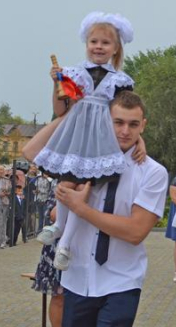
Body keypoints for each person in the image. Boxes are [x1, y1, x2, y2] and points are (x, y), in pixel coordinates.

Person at [23, 90, 167, 327]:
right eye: (117, 122)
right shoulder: (84, 159)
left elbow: (135, 231)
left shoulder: (152, 172)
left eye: (132, 124)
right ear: (106, 121)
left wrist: (81, 208)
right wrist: (68, 116)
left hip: (121, 282)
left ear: (144, 125)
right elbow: (31, 151)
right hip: (77, 280)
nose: (125, 131)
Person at [34, 11, 138, 272]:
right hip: (76, 135)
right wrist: (54, 83)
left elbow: (127, 114)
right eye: (94, 42)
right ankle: (59, 228)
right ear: (86, 44)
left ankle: (66, 244)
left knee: (85, 191)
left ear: (115, 48)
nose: (99, 47)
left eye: (105, 43)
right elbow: (60, 109)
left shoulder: (120, 81)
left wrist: (140, 142)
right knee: (66, 183)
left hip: (101, 141)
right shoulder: (73, 73)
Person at [31, 181, 66, 327]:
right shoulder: (61, 183)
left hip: (85, 246)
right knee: (58, 295)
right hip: (58, 247)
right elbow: (53, 215)